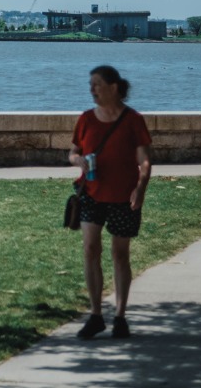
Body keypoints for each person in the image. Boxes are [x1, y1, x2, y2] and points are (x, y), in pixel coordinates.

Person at [67, 64, 152, 341]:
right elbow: (73, 152)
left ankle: (120, 316)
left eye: (97, 84)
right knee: (91, 249)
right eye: (90, 85)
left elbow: (145, 160)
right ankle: (95, 315)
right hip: (91, 193)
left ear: (113, 88)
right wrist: (77, 160)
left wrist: (140, 188)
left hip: (123, 197)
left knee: (120, 254)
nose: (91, 90)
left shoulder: (133, 120)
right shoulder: (86, 119)